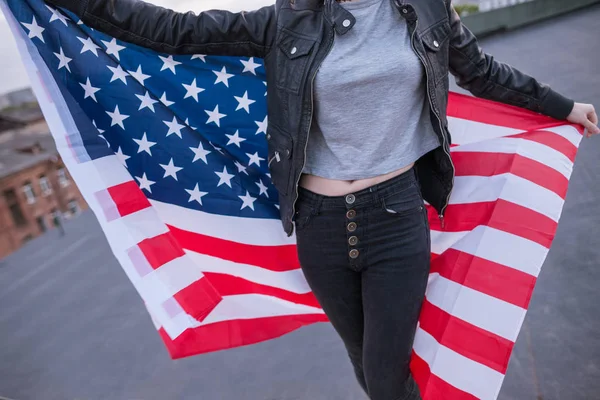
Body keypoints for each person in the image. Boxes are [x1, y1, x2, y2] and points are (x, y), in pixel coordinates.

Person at [44, 0, 600, 398]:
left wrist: (563, 106)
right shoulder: (290, 19)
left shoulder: (428, 9)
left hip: (396, 216)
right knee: (366, 367)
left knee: (384, 376)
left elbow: (482, 73)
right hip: (319, 227)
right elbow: (172, 31)